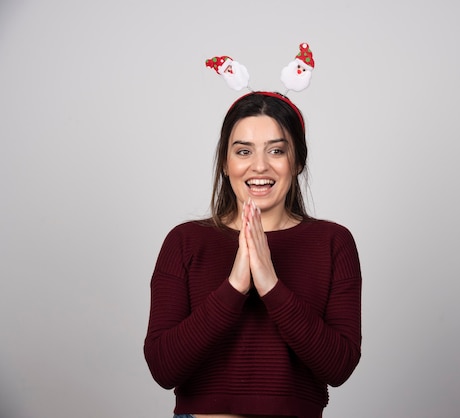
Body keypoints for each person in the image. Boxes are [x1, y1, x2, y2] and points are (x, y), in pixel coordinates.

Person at [144, 91, 362, 418]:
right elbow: (163, 368)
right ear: (224, 163)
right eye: (243, 151)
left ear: (298, 161)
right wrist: (235, 285)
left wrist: (270, 284)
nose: (259, 166)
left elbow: (339, 367)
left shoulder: (334, 242)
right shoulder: (185, 241)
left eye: (276, 150)